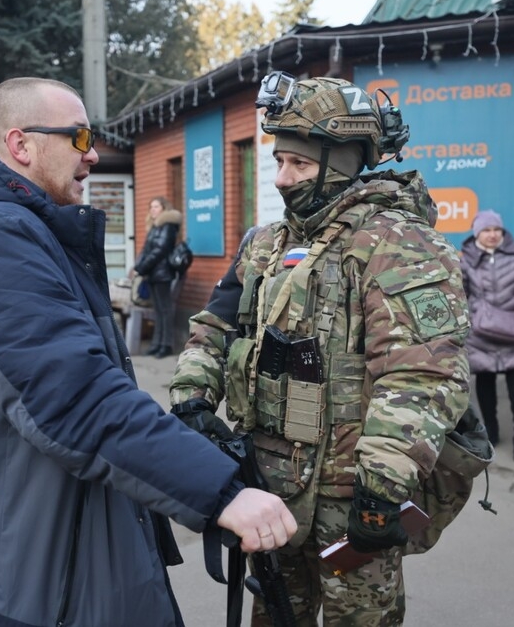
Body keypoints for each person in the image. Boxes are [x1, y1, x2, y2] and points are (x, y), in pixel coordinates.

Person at [0, 77, 296, 627]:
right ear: (21, 145)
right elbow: (75, 397)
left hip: (34, 546)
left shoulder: (19, 228)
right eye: (79, 138)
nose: (94, 155)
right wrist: (220, 492)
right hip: (5, 574)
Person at [167, 72, 471, 626]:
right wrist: (191, 397)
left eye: (299, 164)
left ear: (344, 162)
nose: (282, 179)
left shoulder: (398, 243)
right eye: (279, 161)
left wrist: (382, 489)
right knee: (276, 615)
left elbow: (422, 376)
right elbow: (215, 326)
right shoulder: (265, 244)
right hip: (269, 488)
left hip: (353, 497)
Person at [460, 210, 514, 463]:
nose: (492, 235)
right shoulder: (465, 260)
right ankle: (492, 432)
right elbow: (460, 296)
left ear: (502, 232)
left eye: (496, 230)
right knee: (485, 384)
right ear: (477, 233)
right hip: (480, 333)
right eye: (486, 230)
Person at [133, 196, 183, 358]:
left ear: (164, 208)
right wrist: (138, 266)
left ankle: (166, 345)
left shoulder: (168, 225)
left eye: (156, 206)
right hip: (153, 273)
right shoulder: (155, 226)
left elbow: (159, 250)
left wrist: (142, 267)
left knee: (165, 310)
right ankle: (157, 344)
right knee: (158, 310)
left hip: (162, 273)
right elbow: (146, 249)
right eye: (151, 207)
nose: (152, 209)